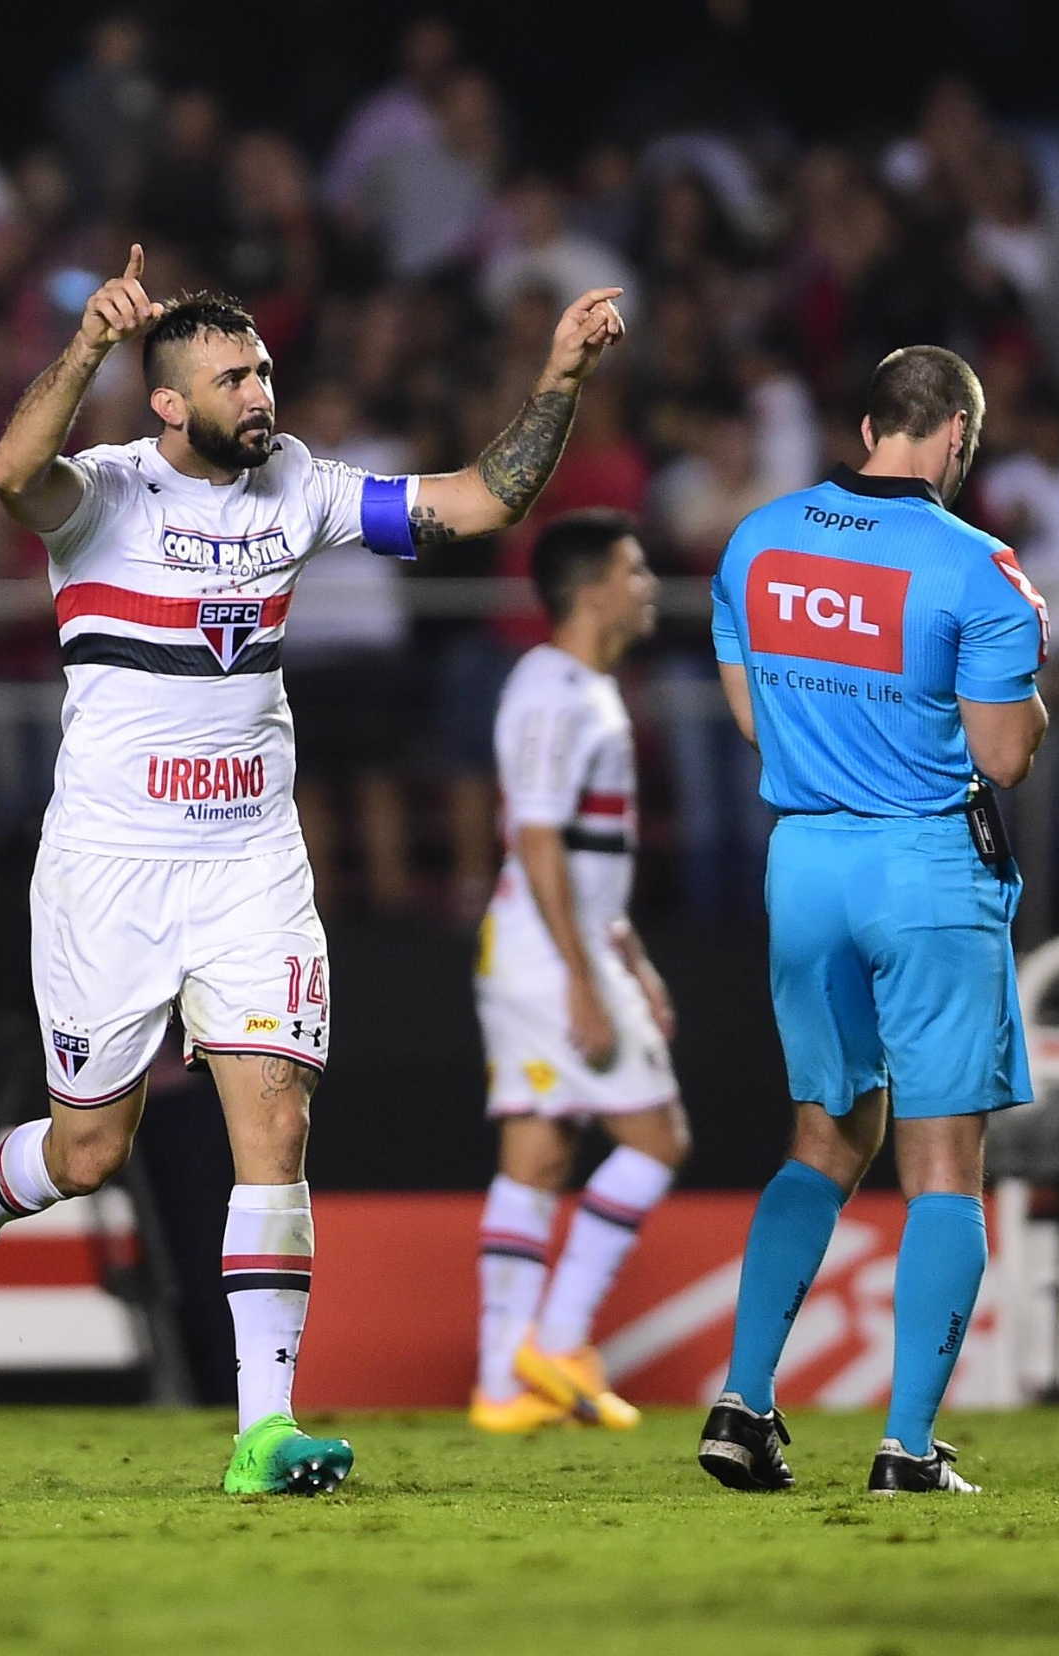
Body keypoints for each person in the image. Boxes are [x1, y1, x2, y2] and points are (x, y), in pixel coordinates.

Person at [0, 244, 625, 1495]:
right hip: (110, 868)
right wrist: (87, 349)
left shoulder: (300, 485)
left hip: (249, 863)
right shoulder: (104, 493)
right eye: (232, 378)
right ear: (168, 402)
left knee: (272, 1123)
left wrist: (557, 379)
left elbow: (480, 503)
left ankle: (263, 1432)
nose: (260, 392)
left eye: (264, 368)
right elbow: (9, 473)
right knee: (89, 1152)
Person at [699, 346, 1049, 1497]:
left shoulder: (757, 540)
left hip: (804, 866)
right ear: (955, 433)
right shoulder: (977, 566)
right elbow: (1003, 752)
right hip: (925, 867)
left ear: (865, 427)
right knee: (941, 1160)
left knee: (825, 1137)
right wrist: (1032, 690)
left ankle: (743, 1403)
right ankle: (906, 1445)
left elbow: (754, 721)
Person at [469, 510, 688, 1436]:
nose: (648, 587)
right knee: (656, 1140)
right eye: (634, 570)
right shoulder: (554, 690)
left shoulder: (581, 689)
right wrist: (580, 977)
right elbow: (536, 840)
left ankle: (499, 1383)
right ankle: (555, 1340)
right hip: (544, 952)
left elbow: (589, 856)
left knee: (540, 1152)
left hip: (553, 943)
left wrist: (627, 957)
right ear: (594, 586)